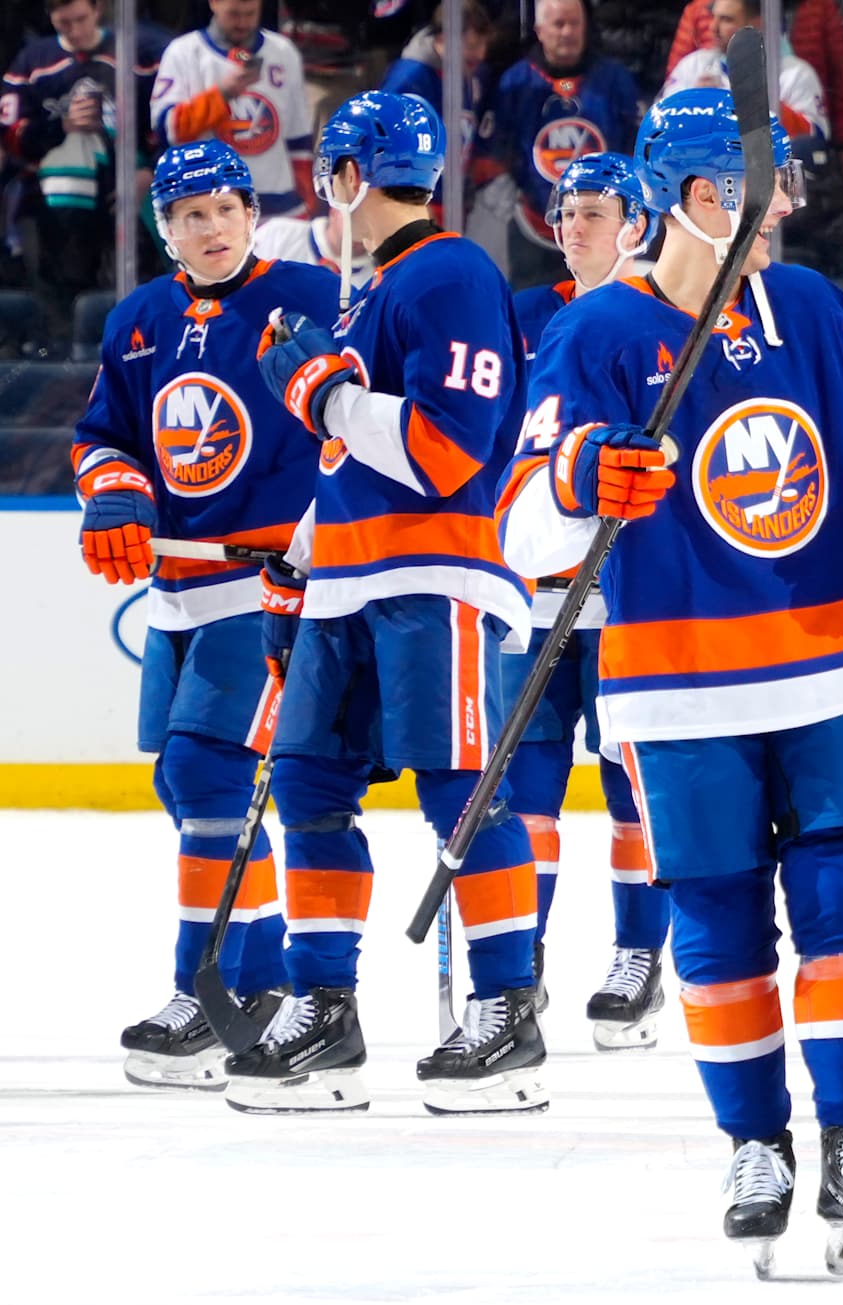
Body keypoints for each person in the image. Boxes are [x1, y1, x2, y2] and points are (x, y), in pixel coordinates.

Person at [497, 88, 843, 1274]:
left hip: (832, 671)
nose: (779, 213)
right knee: (718, 923)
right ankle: (755, 1143)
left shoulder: (807, 305)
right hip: (679, 686)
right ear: (690, 196)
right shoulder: (600, 334)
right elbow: (520, 530)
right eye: (755, 193)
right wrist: (577, 480)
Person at [224, 90, 543, 1117]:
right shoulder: (371, 294)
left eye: (331, 170)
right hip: (347, 582)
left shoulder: (450, 272)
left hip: (432, 578)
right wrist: (300, 561)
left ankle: (508, 1007)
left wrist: (320, 393)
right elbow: (352, 463)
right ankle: (324, 1005)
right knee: (308, 782)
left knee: (458, 790)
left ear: (352, 175)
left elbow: (446, 451)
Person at [71, 140, 340, 1090]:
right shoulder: (140, 319)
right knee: (186, 788)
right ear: (166, 230)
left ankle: (206, 984)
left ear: (252, 215)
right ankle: (257, 978)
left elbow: (353, 419)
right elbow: (103, 434)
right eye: (192, 215)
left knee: (207, 771)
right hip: (178, 589)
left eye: (227, 208)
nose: (213, 227)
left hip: (264, 585)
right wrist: (115, 491)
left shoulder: (309, 296)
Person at [504, 150, 669, 1047]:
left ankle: (639, 957)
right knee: (525, 791)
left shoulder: (663, 320)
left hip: (629, 600)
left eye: (594, 211)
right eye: (566, 211)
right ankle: (519, 958)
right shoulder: (524, 316)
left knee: (630, 790)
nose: (572, 225)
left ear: (638, 224)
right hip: (533, 600)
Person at [2, 0, 165, 327]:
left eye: (80, 19)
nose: (74, 31)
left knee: (135, 290)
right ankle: (60, 348)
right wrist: (59, 127)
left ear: (97, 10)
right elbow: (11, 136)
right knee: (60, 296)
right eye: (64, 23)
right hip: (54, 208)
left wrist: (149, 171)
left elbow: (165, 126)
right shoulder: (32, 63)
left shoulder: (139, 55)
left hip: (125, 199)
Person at [472, 0, 638, 287]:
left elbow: (634, 147)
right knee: (533, 307)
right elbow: (492, 150)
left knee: (601, 306)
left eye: (574, 23)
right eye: (559, 24)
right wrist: (499, 179)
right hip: (532, 226)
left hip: (604, 233)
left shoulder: (615, 81)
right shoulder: (515, 83)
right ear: (539, 29)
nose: (567, 32)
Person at [151, 0, 313, 218]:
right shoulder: (183, 52)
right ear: (214, 3)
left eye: (250, 14)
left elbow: (298, 136)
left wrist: (306, 197)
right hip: (210, 203)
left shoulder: (284, 52)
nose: (243, 23)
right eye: (234, 14)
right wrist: (222, 93)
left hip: (280, 205)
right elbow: (167, 131)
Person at [662, 0, 831, 144]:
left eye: (726, 20)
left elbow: (814, 139)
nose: (713, 27)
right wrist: (694, 105)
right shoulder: (693, 66)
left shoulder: (795, 74)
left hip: (767, 169)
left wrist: (756, 104)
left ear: (756, 24)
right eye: (713, 17)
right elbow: (660, 126)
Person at [380, 0, 495, 167]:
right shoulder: (409, 78)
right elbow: (386, 145)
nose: (480, 54)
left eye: (484, 45)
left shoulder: (468, 74)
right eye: (472, 45)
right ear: (444, 38)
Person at [251, 204, 373, 287]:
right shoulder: (278, 233)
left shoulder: (374, 283)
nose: (360, 229)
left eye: (370, 220)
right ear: (334, 210)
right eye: (355, 216)